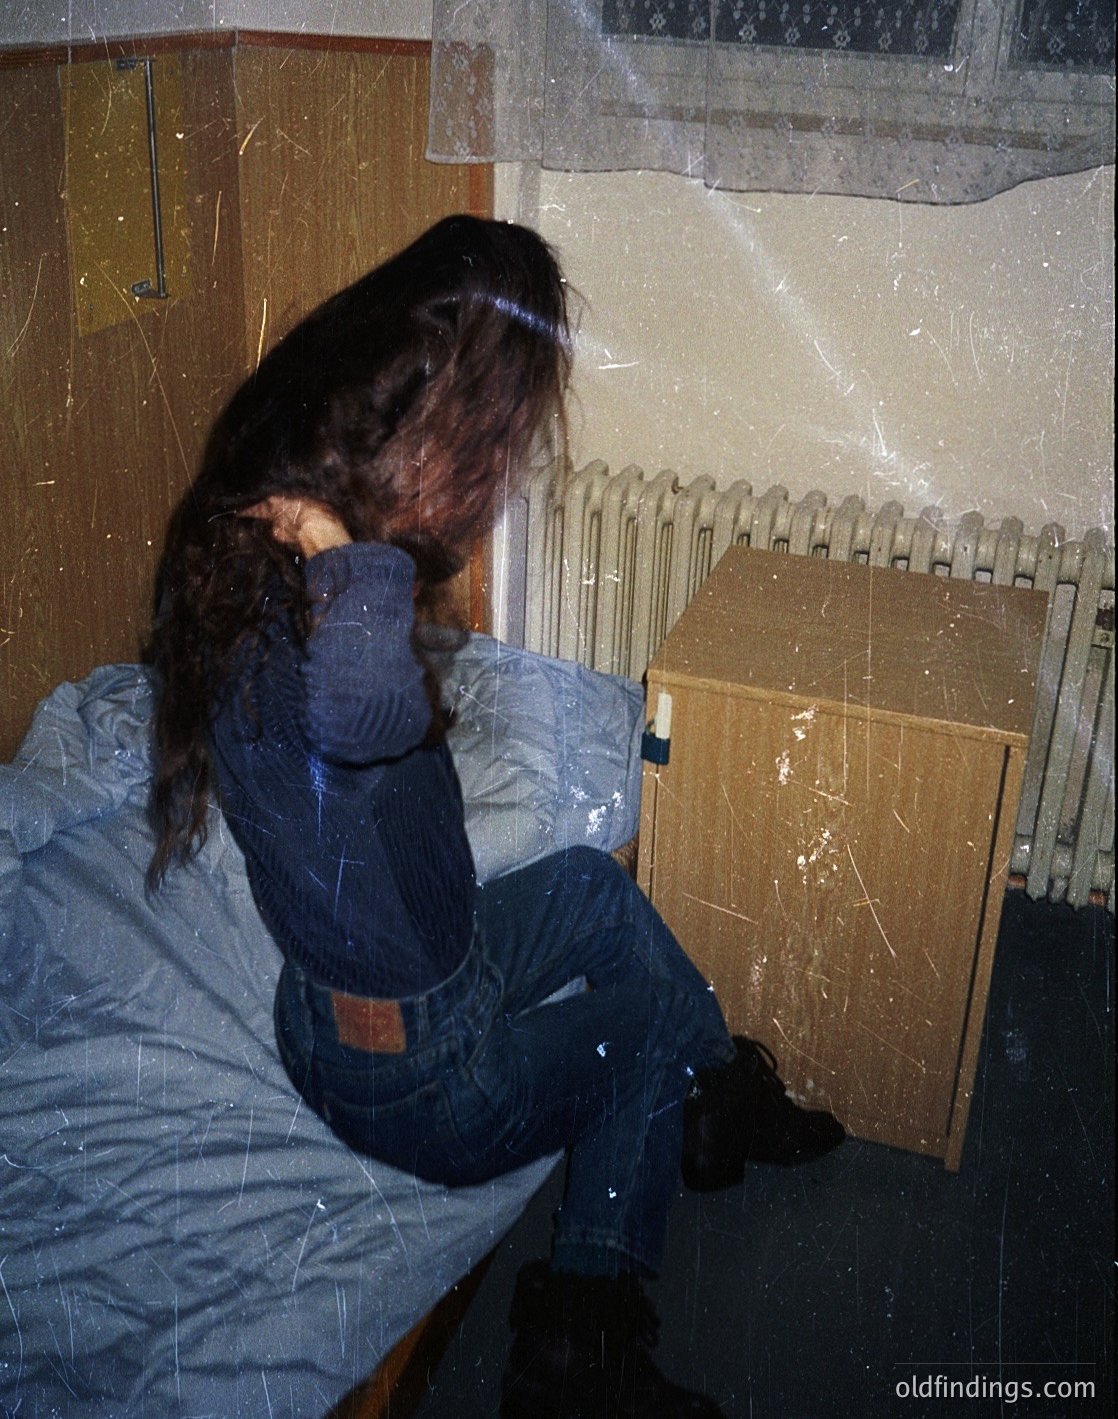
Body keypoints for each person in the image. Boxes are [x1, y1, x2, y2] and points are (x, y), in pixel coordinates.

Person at [148, 215, 843, 1419]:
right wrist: (338, 539)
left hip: (357, 1005)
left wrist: (327, 526)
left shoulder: (251, 569)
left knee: (585, 885)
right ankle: (578, 1351)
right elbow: (361, 719)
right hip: (414, 1071)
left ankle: (715, 1098)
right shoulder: (326, 613)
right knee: (633, 1040)